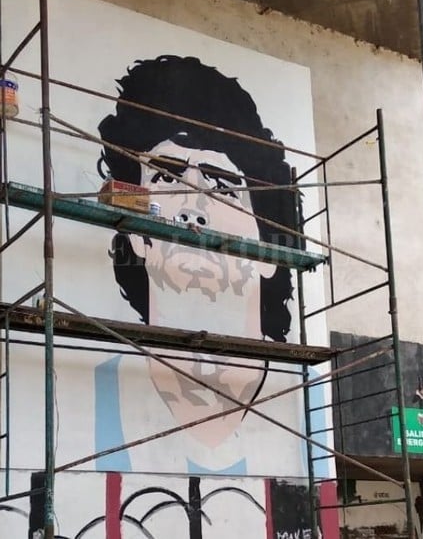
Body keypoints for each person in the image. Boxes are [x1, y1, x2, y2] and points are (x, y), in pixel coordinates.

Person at [93, 55, 300, 475]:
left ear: (269, 248)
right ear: (137, 235)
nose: (192, 209)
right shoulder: (88, 397)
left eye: (222, 186)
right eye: (167, 178)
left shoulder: (301, 401)